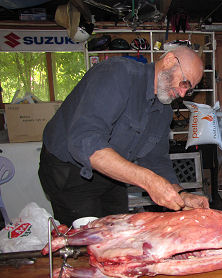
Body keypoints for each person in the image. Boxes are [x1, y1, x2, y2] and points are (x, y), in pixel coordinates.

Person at [39, 45, 209, 226]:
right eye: (185, 83)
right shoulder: (116, 74)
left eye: (189, 90)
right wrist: (148, 180)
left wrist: (180, 194)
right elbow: (84, 141)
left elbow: (156, 159)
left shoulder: (163, 110)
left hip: (112, 172)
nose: (182, 94)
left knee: (119, 233)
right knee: (88, 240)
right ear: (169, 61)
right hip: (71, 171)